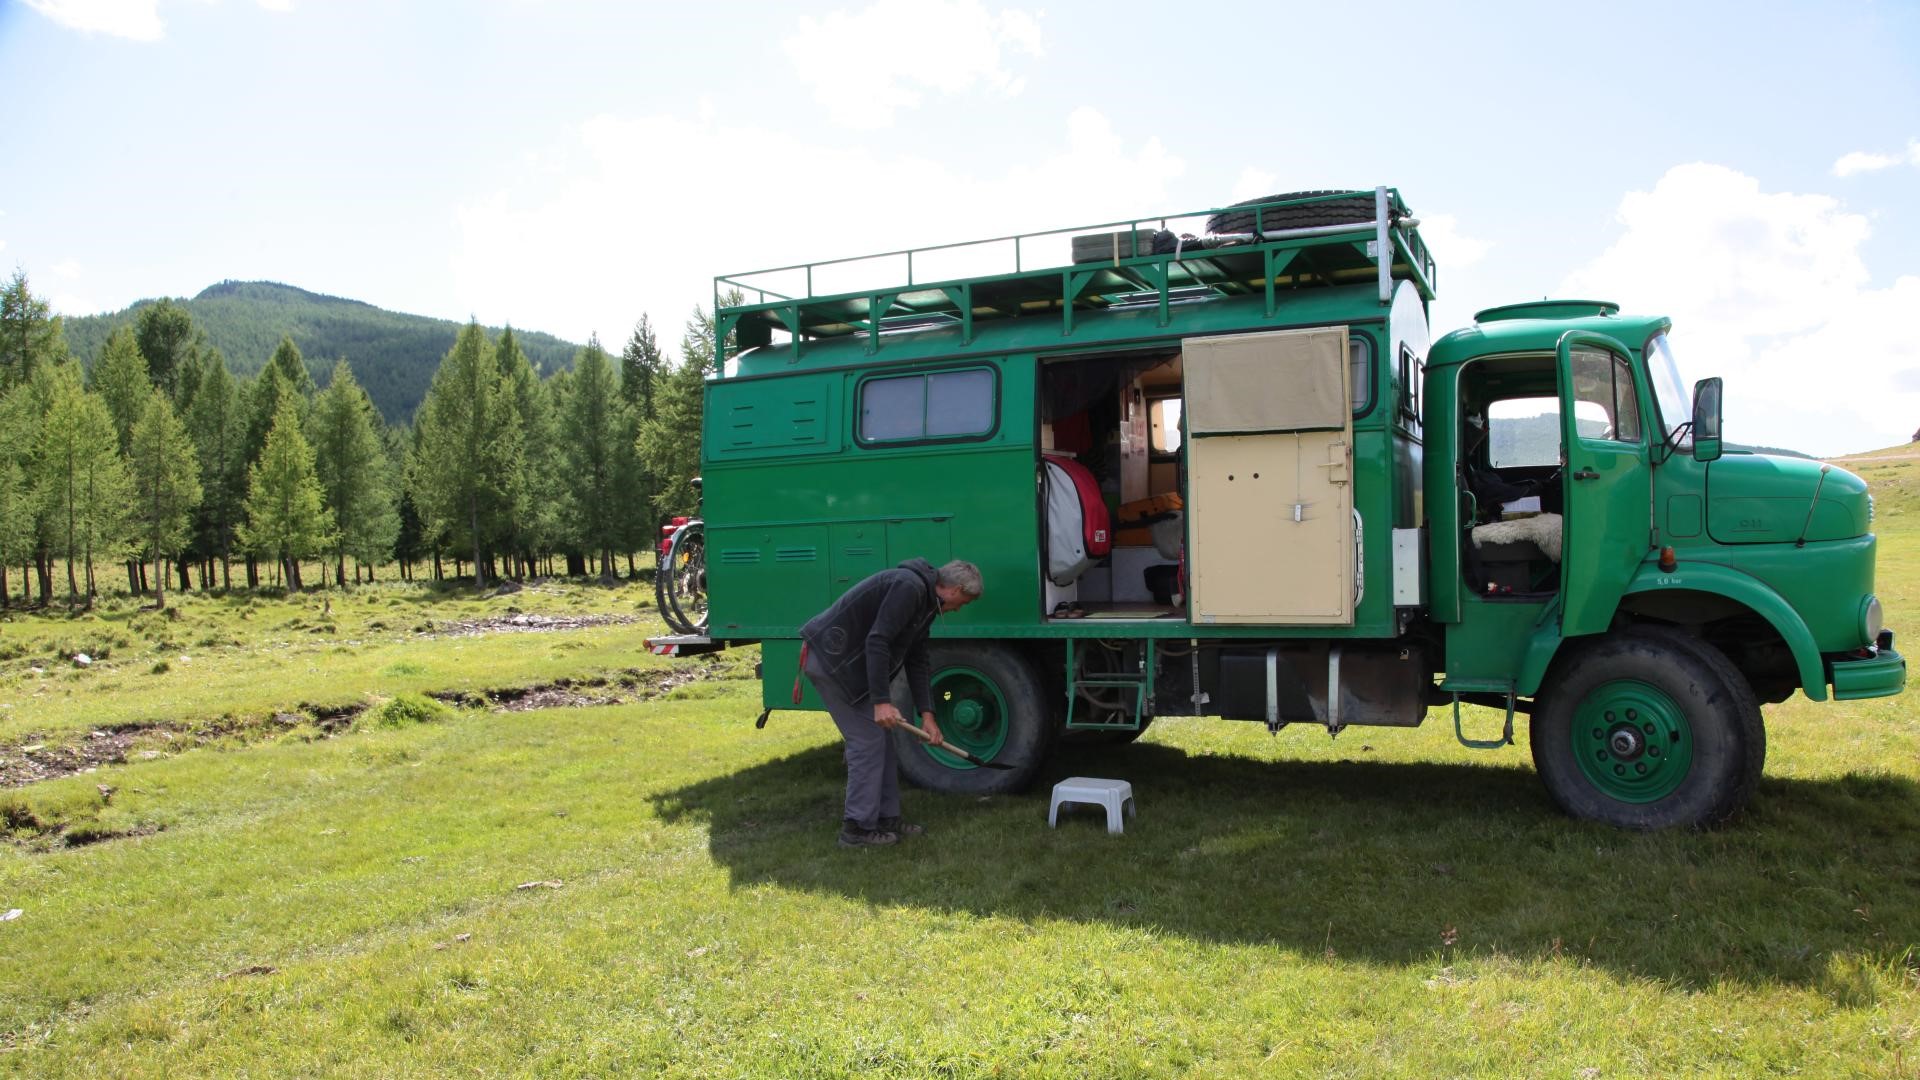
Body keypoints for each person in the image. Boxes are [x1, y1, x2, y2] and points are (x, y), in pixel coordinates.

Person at [799, 558, 983, 848]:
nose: (959, 608)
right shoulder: (909, 588)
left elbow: (917, 658)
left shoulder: (926, 603)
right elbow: (878, 641)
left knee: (881, 740)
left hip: (851, 668)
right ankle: (856, 830)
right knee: (867, 742)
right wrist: (882, 702)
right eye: (963, 602)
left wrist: (928, 715)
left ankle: (886, 820)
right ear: (955, 590)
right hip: (832, 663)